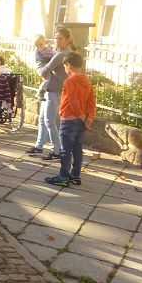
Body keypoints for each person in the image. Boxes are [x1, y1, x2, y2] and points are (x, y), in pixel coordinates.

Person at [44, 52, 96, 186]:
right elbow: (91, 101)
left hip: (69, 119)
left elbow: (73, 101)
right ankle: (75, 175)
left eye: (65, 66)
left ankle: (63, 176)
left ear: (68, 65)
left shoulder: (69, 81)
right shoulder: (86, 81)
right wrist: (89, 117)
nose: (65, 69)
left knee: (65, 149)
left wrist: (81, 115)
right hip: (81, 121)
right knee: (77, 149)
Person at [26, 27, 76, 160]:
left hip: (55, 91)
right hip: (51, 89)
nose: (57, 41)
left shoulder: (61, 54)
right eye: (56, 38)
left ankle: (57, 151)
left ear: (67, 40)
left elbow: (43, 72)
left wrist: (39, 67)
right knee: (42, 119)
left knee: (50, 121)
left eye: (60, 39)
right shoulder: (60, 52)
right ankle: (39, 146)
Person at [34, 34, 55, 101]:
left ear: (44, 42)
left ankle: (43, 91)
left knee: (48, 79)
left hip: (44, 67)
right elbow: (51, 54)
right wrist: (58, 54)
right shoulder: (39, 51)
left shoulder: (45, 48)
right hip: (41, 68)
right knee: (48, 78)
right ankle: (41, 92)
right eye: (37, 45)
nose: (39, 47)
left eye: (41, 44)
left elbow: (50, 51)